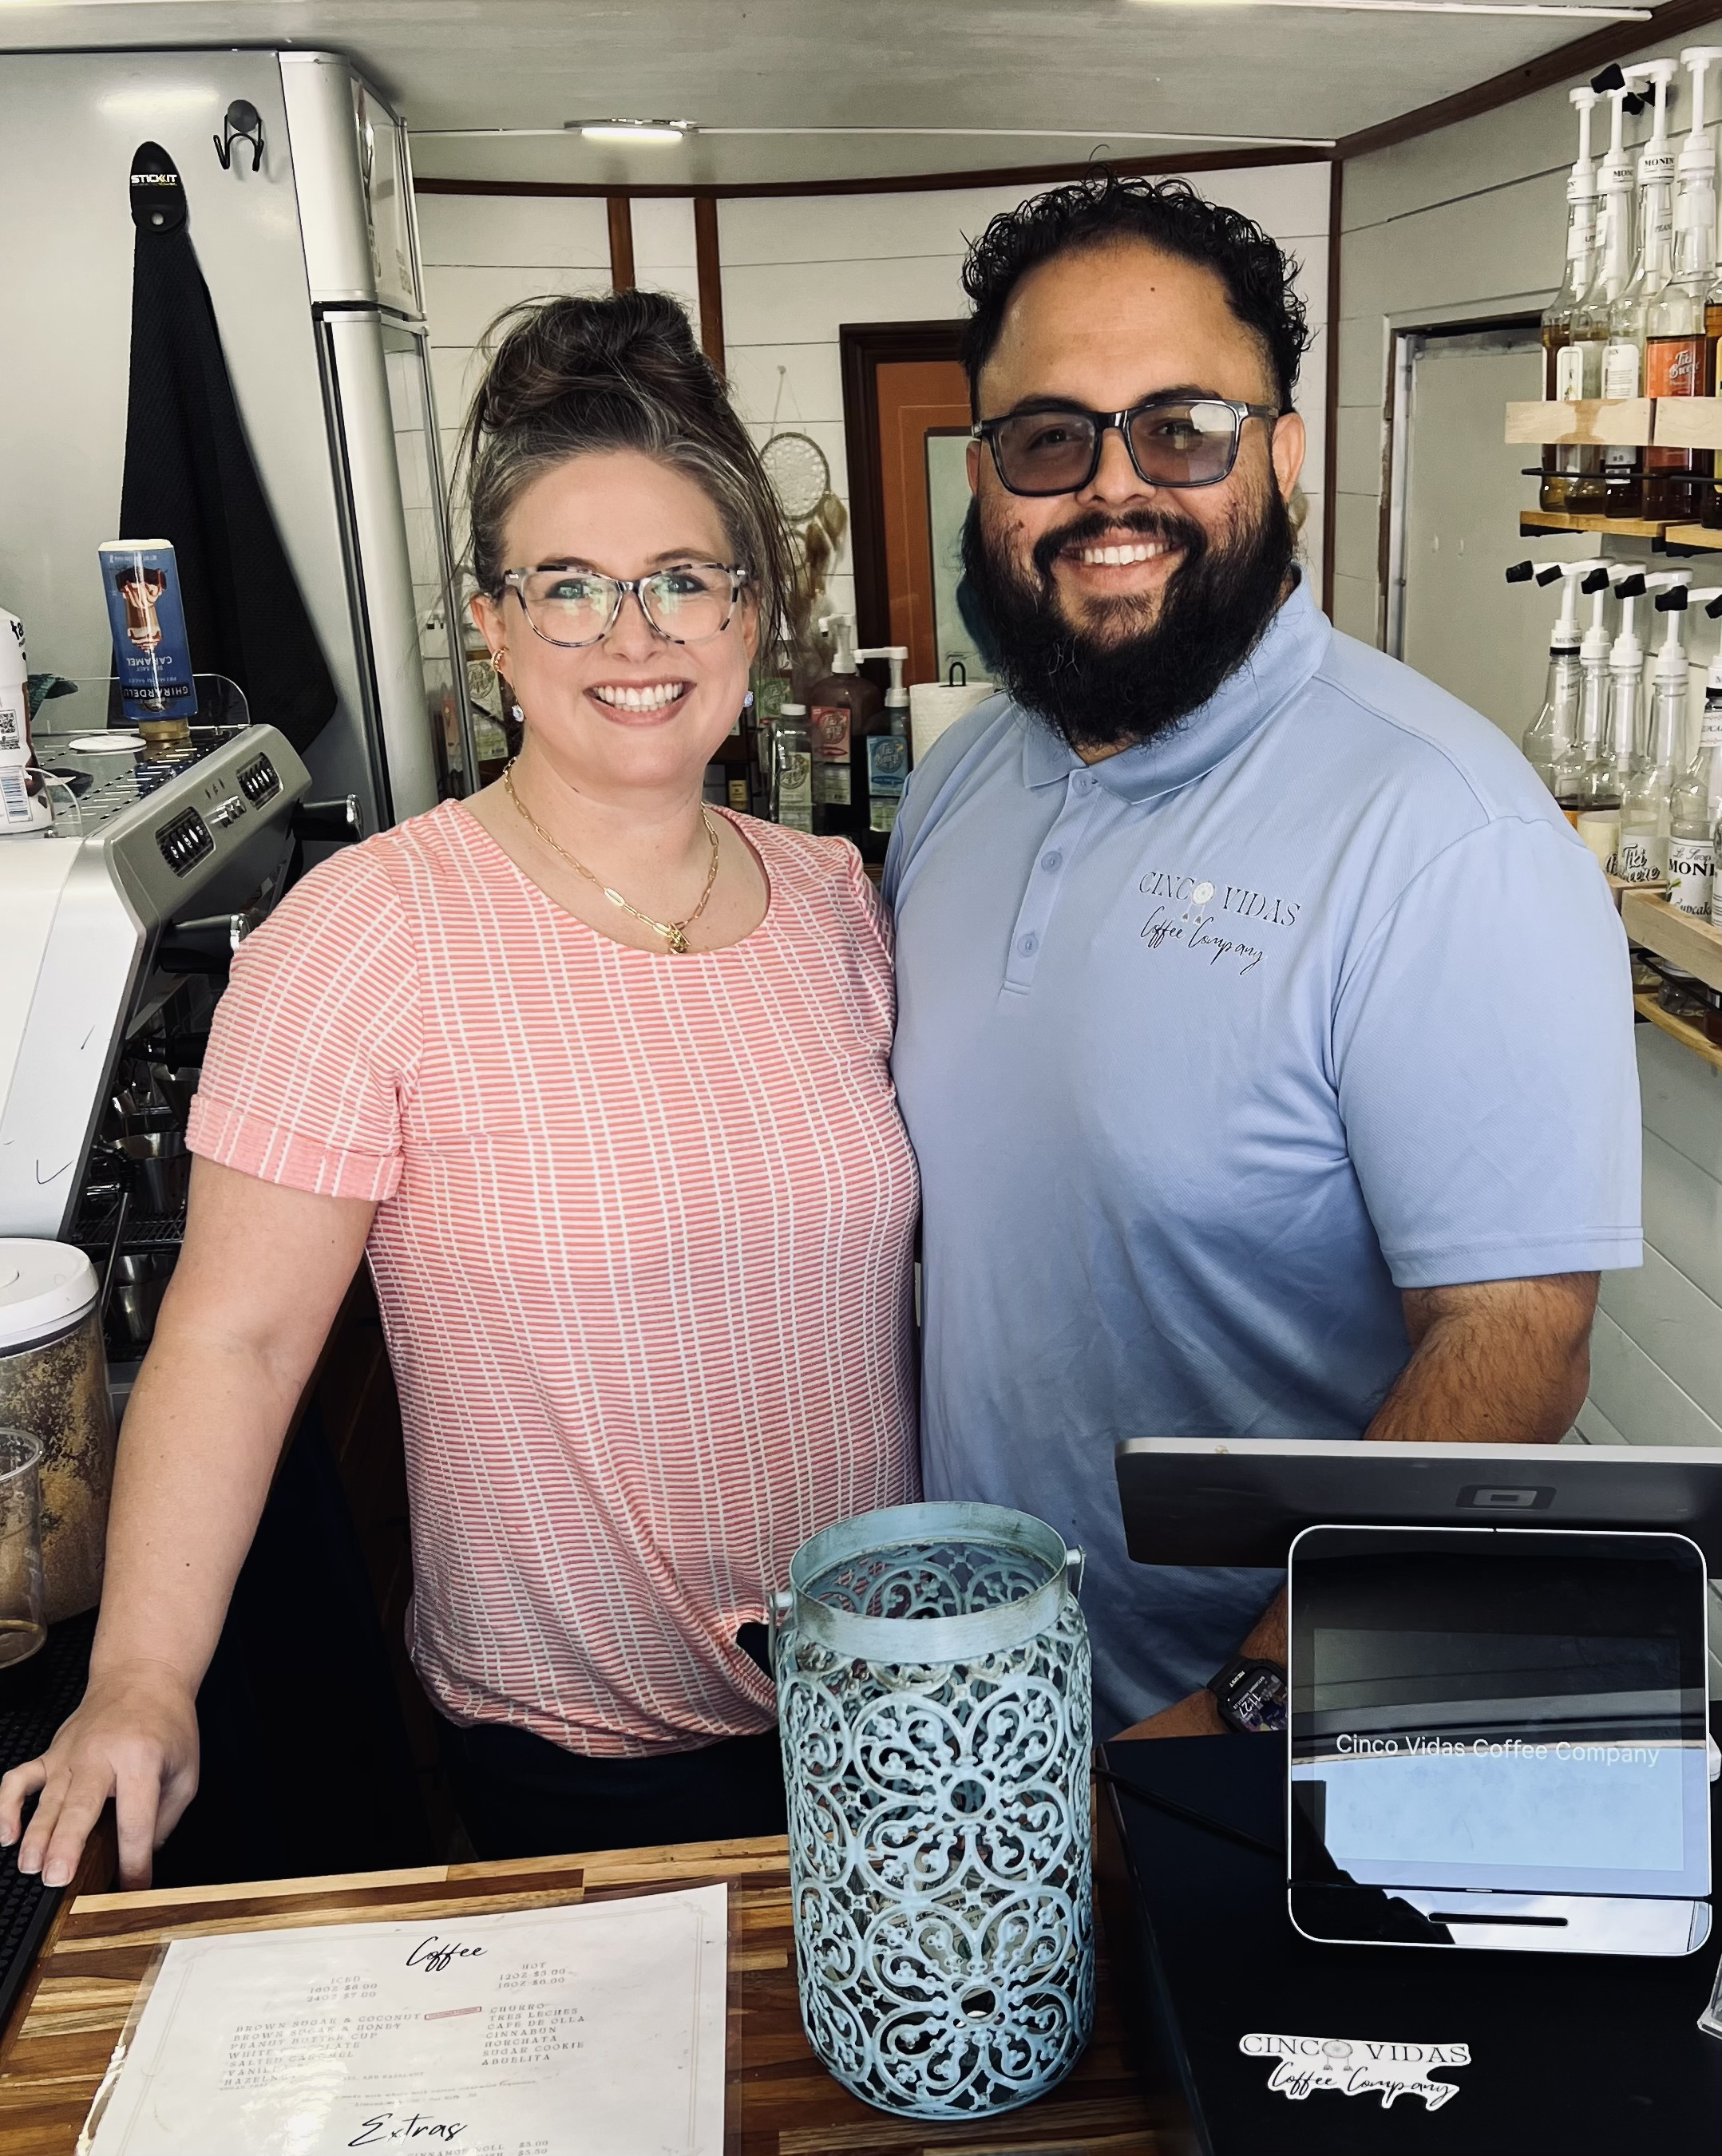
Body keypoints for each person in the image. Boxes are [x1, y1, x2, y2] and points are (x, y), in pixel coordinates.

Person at [1, 291, 919, 1887]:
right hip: (582, 1749)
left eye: (680, 579)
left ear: (750, 611)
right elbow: (234, 1336)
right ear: (490, 625)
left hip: (891, 1696)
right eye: (567, 588)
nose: (632, 637)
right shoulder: (367, 930)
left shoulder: (836, 900)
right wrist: (139, 1676)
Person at [884, 174, 1639, 1743]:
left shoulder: (1441, 831)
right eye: (1049, 437)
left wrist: (1239, 1711)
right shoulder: (961, 782)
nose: (1112, 489)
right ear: (983, 479)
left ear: (1280, 455)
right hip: (976, 1700)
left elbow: (1515, 1346)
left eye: (1181, 429)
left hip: (1258, 1741)